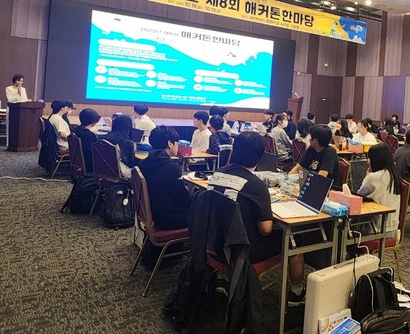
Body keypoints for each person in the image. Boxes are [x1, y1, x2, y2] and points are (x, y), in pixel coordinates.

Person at [210, 131, 306, 306]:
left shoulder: (217, 174)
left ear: (234, 150)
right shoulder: (256, 185)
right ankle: (297, 294)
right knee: (294, 240)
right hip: (243, 251)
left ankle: (222, 278)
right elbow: (266, 229)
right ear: (259, 157)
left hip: (214, 243)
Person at [139, 126, 191, 230]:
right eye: (177, 143)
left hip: (153, 215)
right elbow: (182, 200)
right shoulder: (171, 168)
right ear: (170, 144)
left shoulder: (143, 163)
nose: (178, 146)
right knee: (206, 208)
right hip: (170, 219)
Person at [357, 143, 403, 236]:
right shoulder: (394, 175)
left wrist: (367, 177)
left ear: (376, 160)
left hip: (375, 229)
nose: (368, 162)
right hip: (392, 227)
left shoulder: (374, 177)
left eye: (369, 158)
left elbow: (358, 196)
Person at [289, 124, 341, 189]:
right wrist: (288, 179)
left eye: (310, 137)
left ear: (315, 140)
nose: (309, 139)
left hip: (327, 188)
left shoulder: (330, 152)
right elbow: (298, 167)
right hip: (311, 184)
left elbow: (321, 177)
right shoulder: (311, 149)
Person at [104, 114, 138, 179]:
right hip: (120, 173)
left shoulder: (106, 137)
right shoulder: (127, 143)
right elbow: (130, 163)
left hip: (104, 169)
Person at [73, 108, 101, 173]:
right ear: (94, 122)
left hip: (79, 161)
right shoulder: (91, 136)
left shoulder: (76, 130)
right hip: (90, 165)